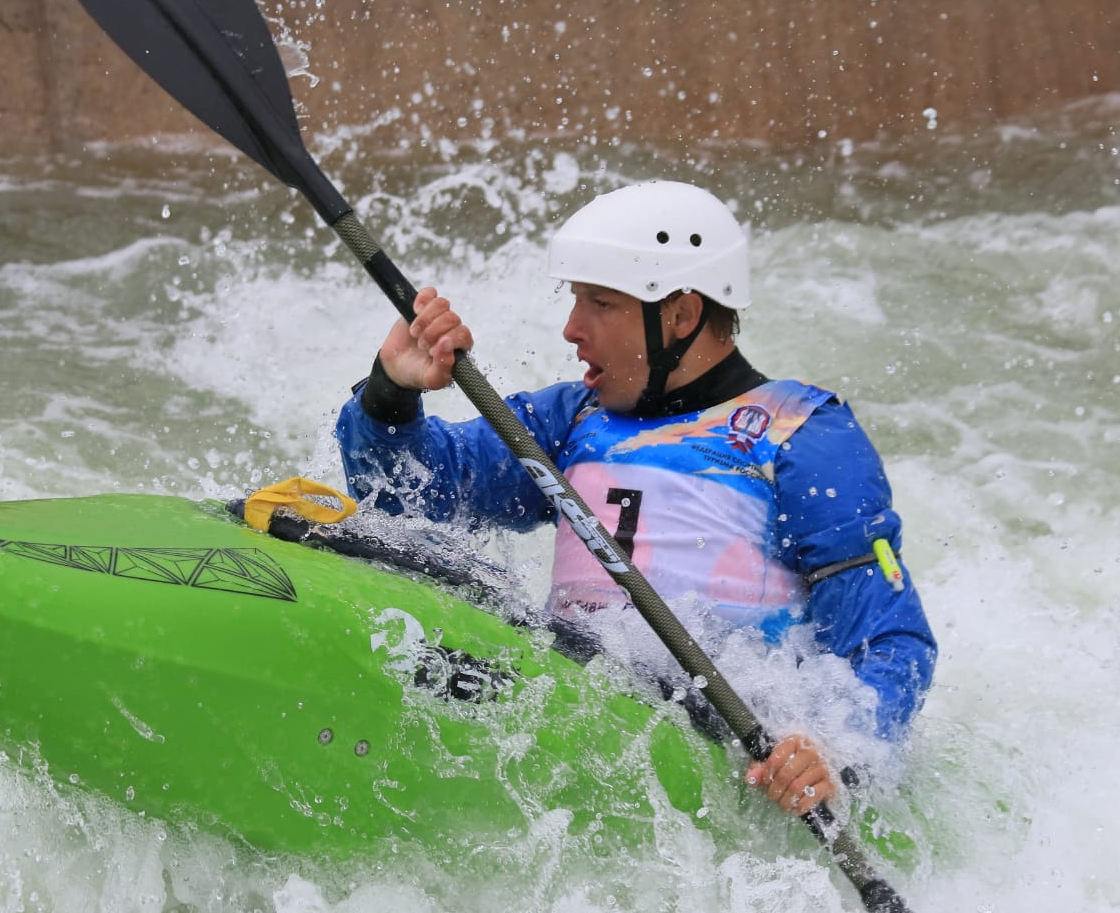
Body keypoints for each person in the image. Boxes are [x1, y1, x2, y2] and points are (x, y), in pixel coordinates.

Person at [335, 180, 937, 818]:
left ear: (681, 315)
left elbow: (890, 641)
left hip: (711, 764)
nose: (572, 329)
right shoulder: (570, 419)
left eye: (601, 304)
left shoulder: (802, 434)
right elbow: (411, 499)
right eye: (575, 300)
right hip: (572, 711)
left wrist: (832, 751)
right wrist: (390, 393)